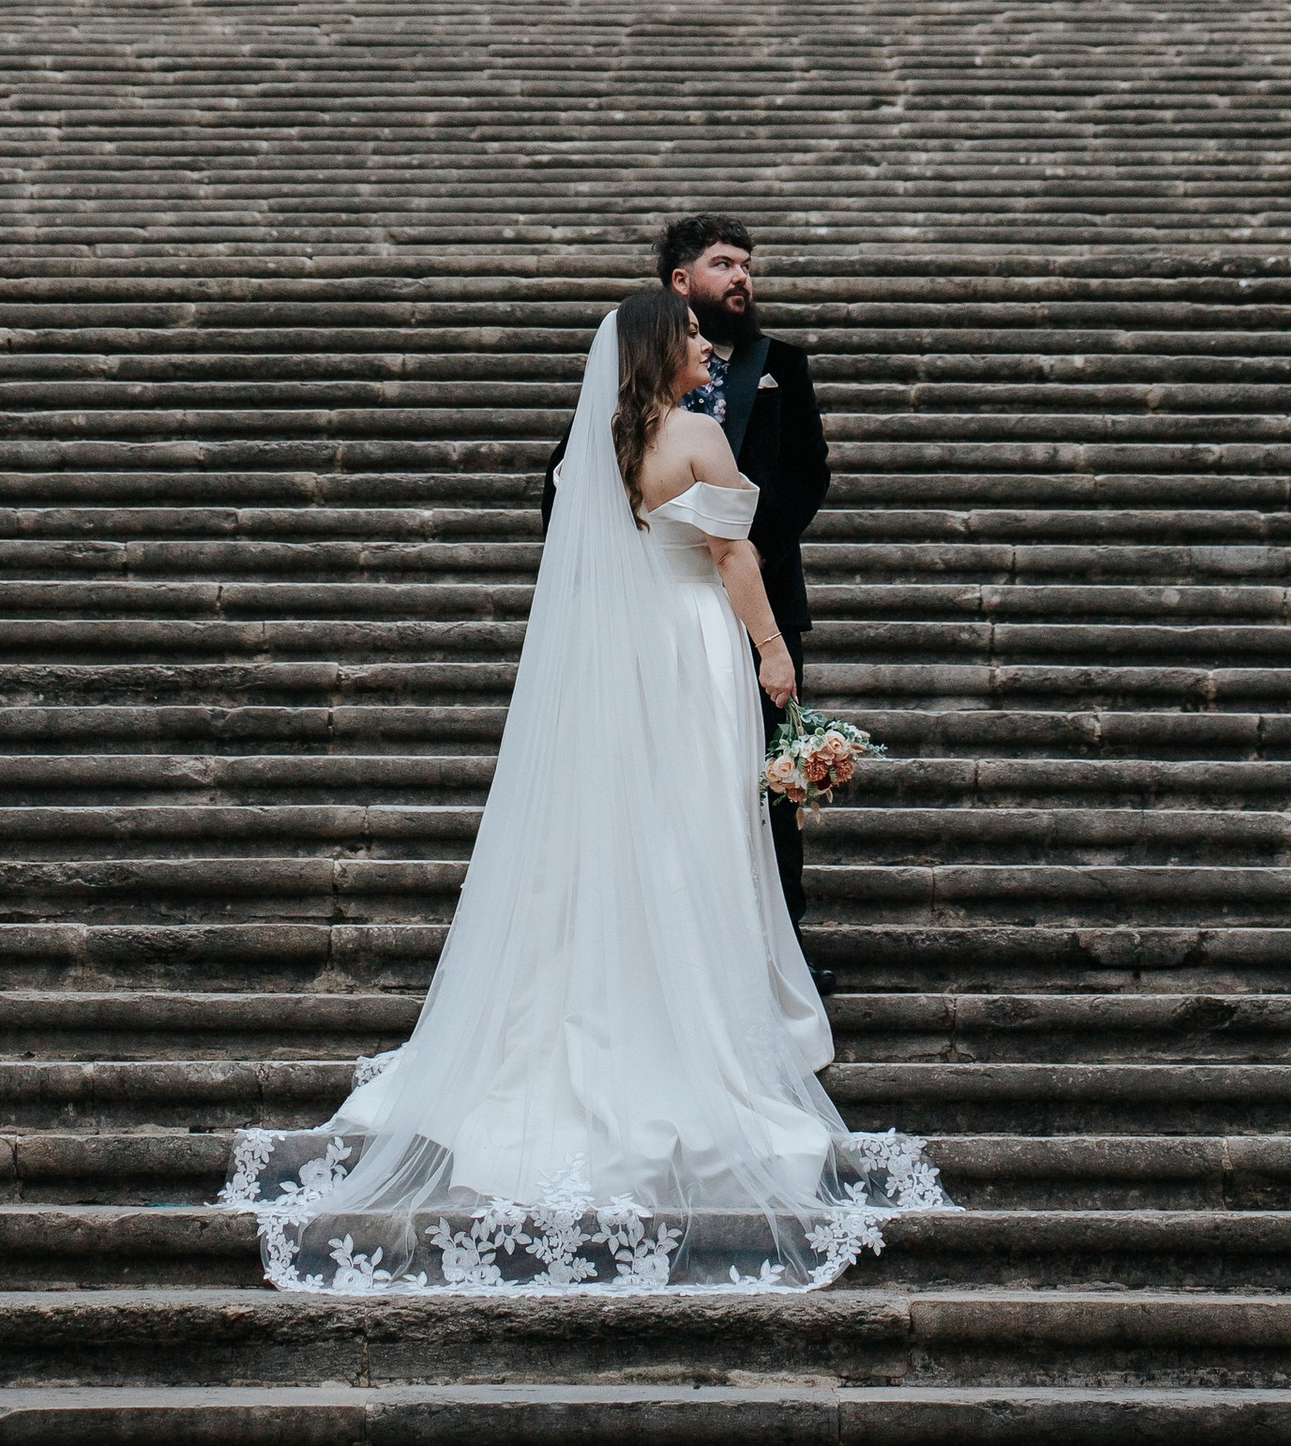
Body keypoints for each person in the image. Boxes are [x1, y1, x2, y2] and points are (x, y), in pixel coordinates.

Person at [224, 287, 938, 1294]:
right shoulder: (695, 435)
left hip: (622, 653)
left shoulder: (599, 444)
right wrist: (775, 653)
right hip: (691, 649)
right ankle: (689, 1011)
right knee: (691, 834)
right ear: (659, 348)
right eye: (691, 333)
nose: (707, 344)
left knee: (621, 834)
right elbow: (735, 556)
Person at [544, 215, 829, 941]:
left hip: (684, 605)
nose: (741, 277)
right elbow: (574, 506)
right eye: (723, 262)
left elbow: (806, 473)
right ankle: (726, 955)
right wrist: (764, 634)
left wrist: (755, 553)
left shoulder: (776, 366)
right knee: (718, 790)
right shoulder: (662, 427)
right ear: (680, 284)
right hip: (702, 620)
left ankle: (767, 941)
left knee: (739, 790)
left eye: (746, 263)